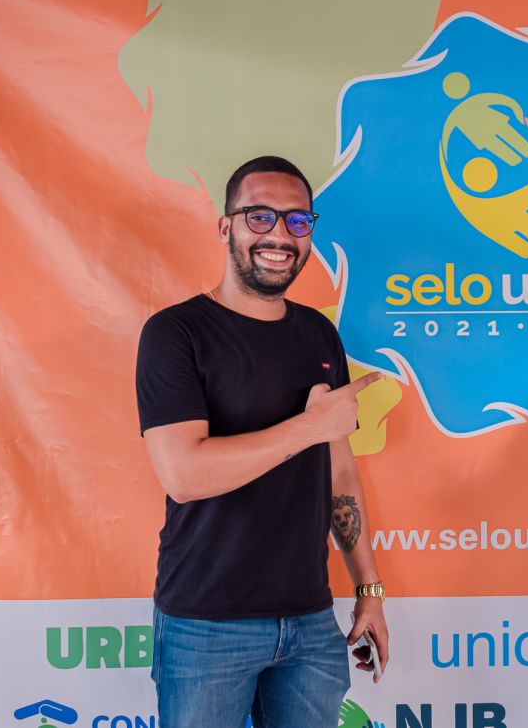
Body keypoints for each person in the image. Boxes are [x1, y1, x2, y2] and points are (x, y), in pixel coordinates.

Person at [135, 155, 388, 728]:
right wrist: (310, 427)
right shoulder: (176, 333)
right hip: (206, 623)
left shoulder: (318, 332)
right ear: (226, 227)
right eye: (260, 216)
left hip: (311, 621)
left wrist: (368, 588)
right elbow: (185, 475)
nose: (280, 235)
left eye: (297, 221)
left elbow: (339, 471)